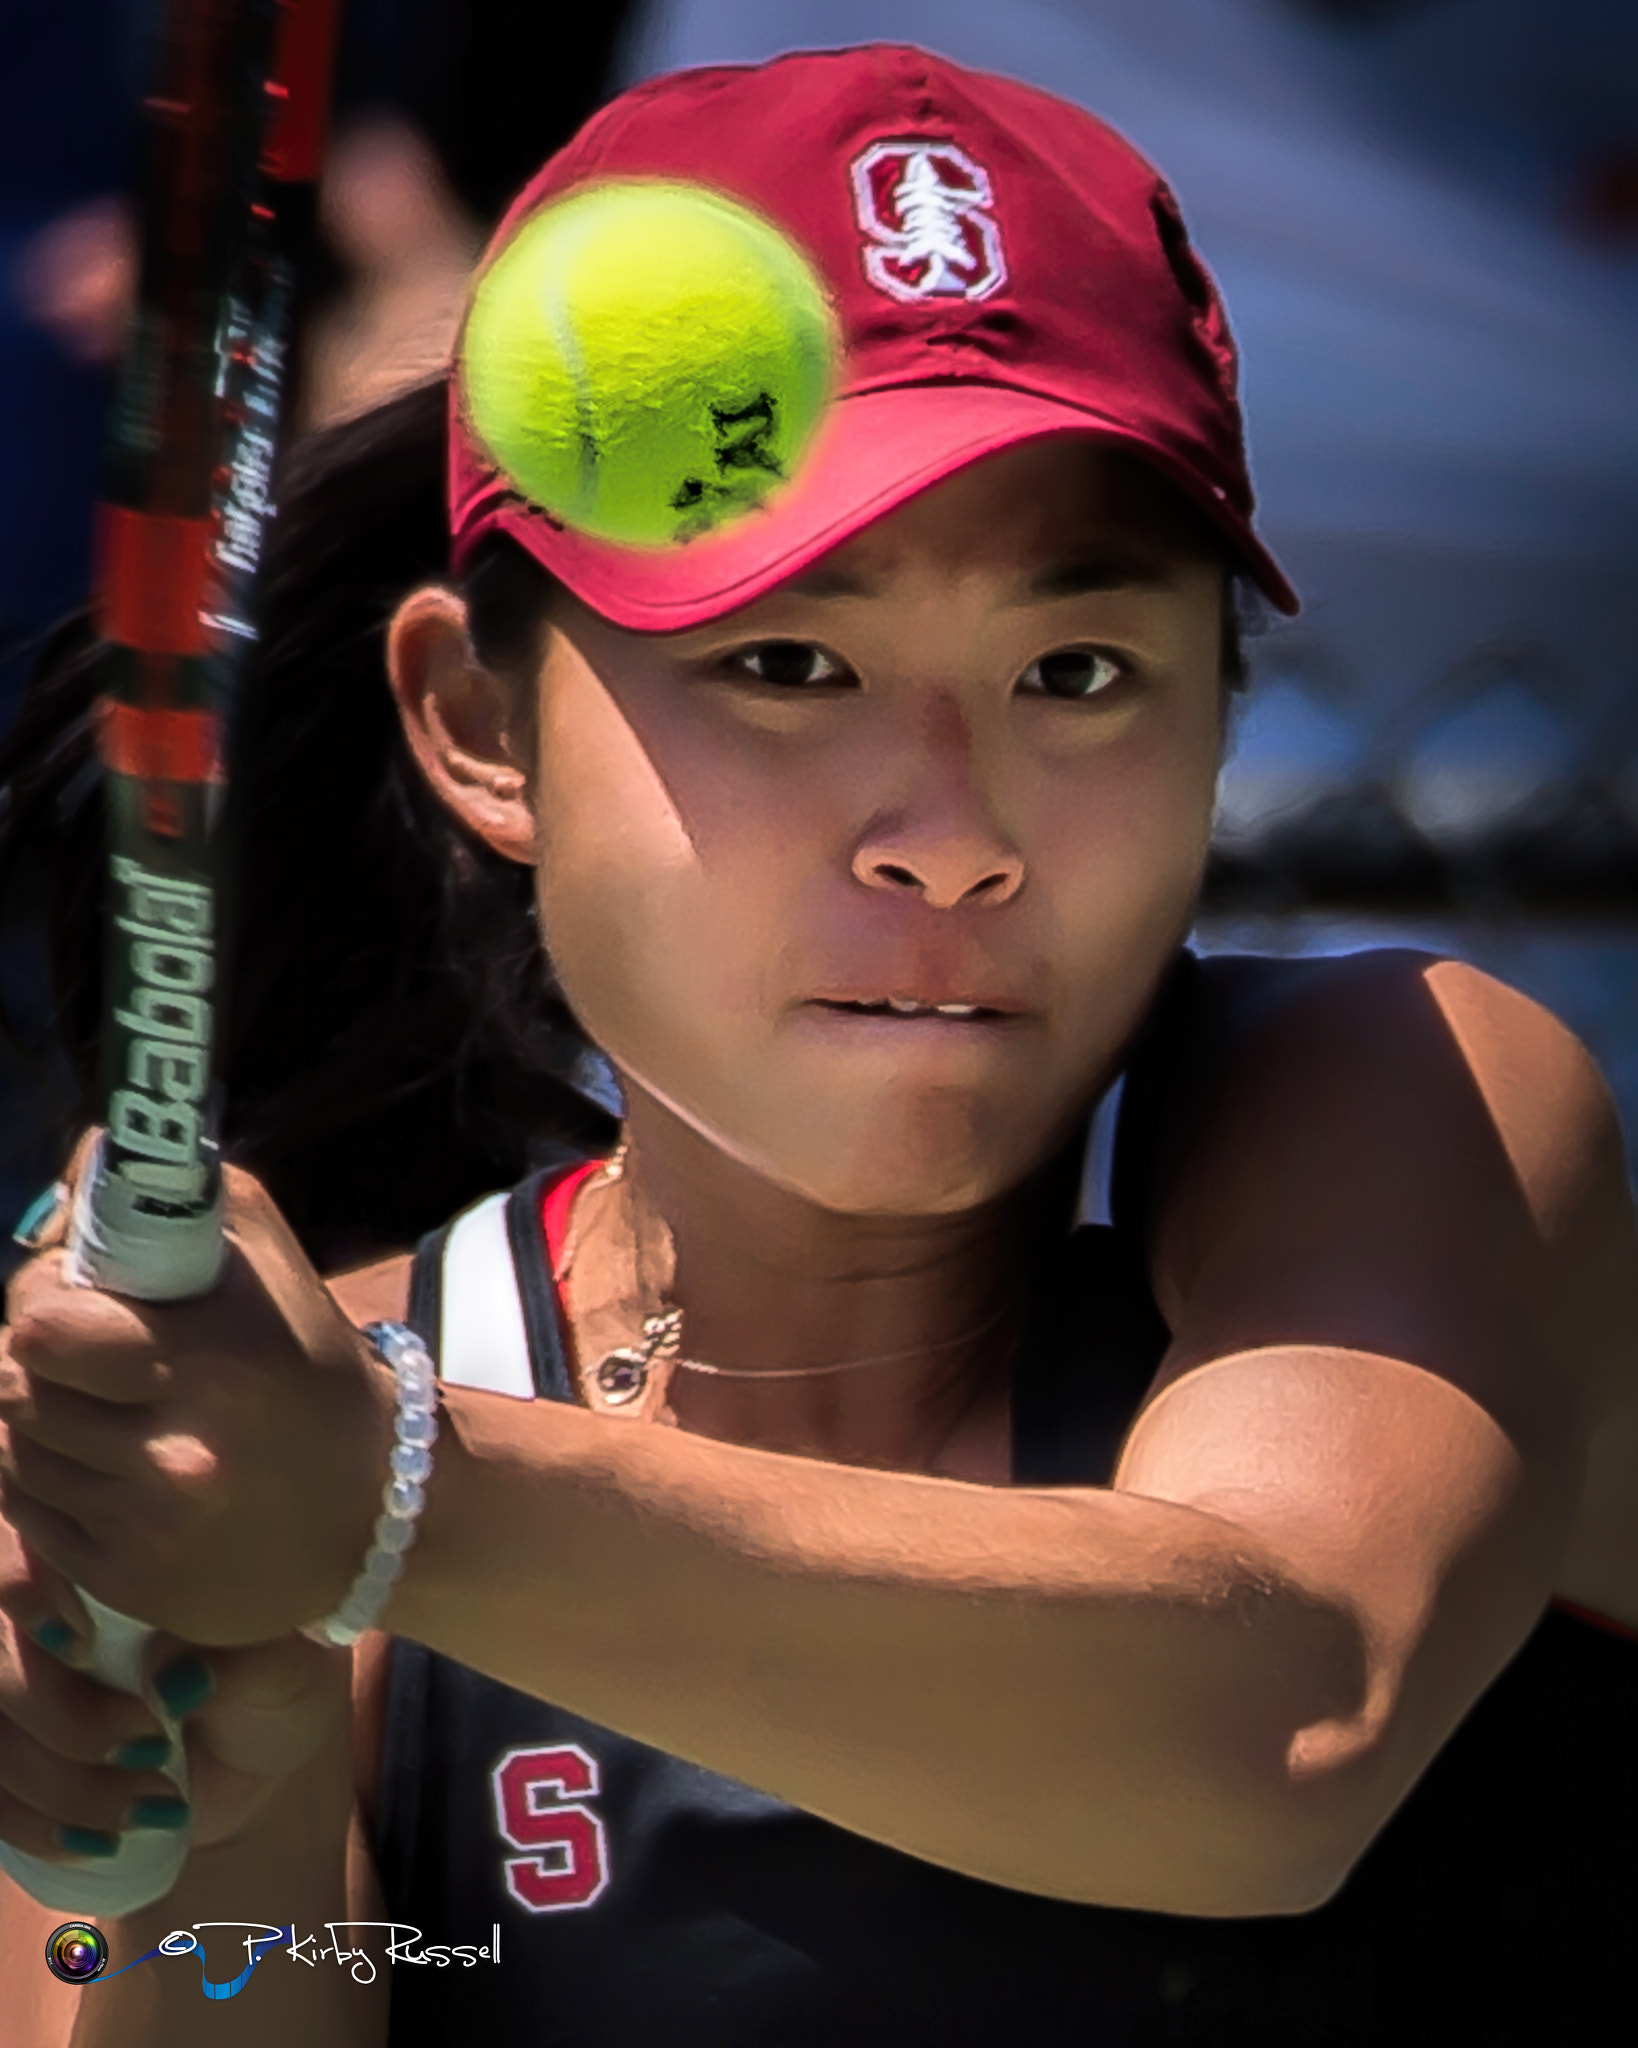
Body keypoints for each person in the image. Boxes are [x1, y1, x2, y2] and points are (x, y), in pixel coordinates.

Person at [1, 43, 1636, 2048]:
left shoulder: (1422, 1103)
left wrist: (378, 1508)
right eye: (787, 664)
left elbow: (1283, 1717)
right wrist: (220, 1807)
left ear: (1221, 707)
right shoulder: (279, 1437)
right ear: (480, 726)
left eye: (1079, 670)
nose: (949, 832)